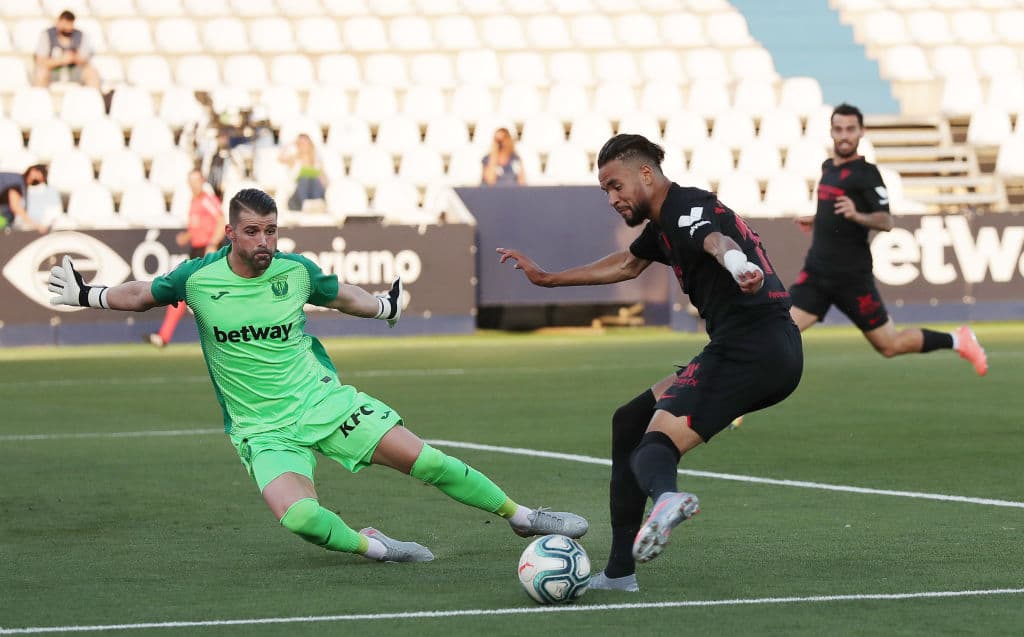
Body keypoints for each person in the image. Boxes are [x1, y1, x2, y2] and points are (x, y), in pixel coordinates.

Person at [48, 187, 587, 563]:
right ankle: (375, 546)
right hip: (263, 429)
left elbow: (342, 295)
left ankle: (521, 515)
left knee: (425, 460)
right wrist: (86, 294)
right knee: (301, 518)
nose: (264, 242)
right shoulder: (198, 278)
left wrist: (382, 307)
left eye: (271, 231)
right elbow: (141, 295)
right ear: (231, 232)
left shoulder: (295, 271)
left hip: (323, 404)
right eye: (253, 232)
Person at [496, 134, 803, 591]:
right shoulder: (664, 222)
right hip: (754, 346)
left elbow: (716, 241)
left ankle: (667, 499)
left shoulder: (684, 209)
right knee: (630, 421)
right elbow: (626, 263)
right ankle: (620, 573)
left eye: (616, 186)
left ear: (646, 173)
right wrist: (549, 279)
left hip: (752, 349)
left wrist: (738, 266)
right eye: (605, 191)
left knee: (655, 441)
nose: (612, 198)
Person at [790, 103, 987, 376]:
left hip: (851, 279)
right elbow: (834, 209)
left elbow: (886, 221)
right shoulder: (827, 167)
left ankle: (958, 339)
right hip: (816, 275)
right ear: (831, 132)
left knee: (889, 345)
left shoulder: (867, 174)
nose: (844, 135)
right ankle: (737, 401)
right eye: (839, 129)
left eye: (850, 129)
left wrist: (857, 215)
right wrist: (818, 218)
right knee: (779, 330)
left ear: (861, 132)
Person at [146, 170, 225, 348]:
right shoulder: (194, 201)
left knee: (206, 292)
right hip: (196, 249)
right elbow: (202, 225)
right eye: (190, 182)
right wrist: (188, 236)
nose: (193, 185)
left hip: (207, 251)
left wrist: (212, 244)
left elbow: (221, 221)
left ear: (203, 181)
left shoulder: (207, 199)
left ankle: (226, 333)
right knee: (182, 291)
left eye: (196, 181)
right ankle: (164, 335)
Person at [33, 10, 100, 89]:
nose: (67, 30)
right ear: (58, 23)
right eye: (64, 27)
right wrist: (61, 60)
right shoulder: (47, 35)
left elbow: (85, 60)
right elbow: (41, 61)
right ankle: (40, 98)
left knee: (92, 73)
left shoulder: (80, 35)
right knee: (41, 72)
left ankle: (93, 99)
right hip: (53, 71)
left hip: (74, 71)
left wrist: (73, 58)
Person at [279, 133, 327, 212]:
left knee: (315, 180)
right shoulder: (294, 159)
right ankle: (307, 205)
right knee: (304, 179)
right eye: (301, 143)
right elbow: (280, 158)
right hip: (297, 198)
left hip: (314, 193)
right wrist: (290, 144)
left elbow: (323, 180)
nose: (304, 146)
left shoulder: (317, 161)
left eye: (305, 143)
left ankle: (316, 204)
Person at [0, 164, 51, 233]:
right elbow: (15, 207)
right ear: (33, 171)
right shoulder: (17, 182)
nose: (39, 181)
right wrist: (36, 226)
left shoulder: (21, 182)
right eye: (40, 177)